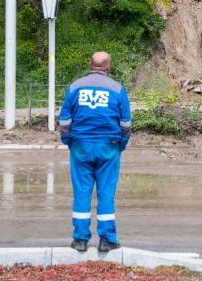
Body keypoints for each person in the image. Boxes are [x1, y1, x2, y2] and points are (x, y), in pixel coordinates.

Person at [58, 51, 132, 253]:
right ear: (108, 67)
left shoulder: (74, 87)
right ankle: (107, 240)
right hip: (109, 147)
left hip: (80, 146)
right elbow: (125, 125)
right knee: (106, 193)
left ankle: (80, 240)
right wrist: (121, 145)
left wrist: (69, 142)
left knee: (81, 192)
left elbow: (64, 120)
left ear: (90, 65)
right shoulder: (117, 89)